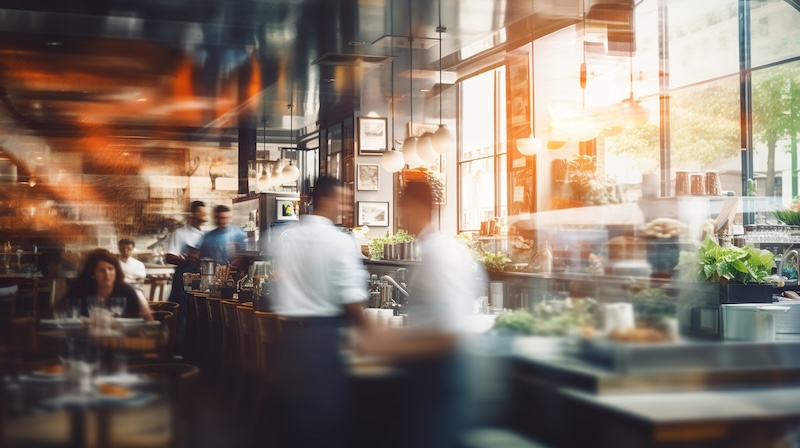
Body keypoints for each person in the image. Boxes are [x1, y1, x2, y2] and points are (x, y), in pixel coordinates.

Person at [358, 179, 486, 448]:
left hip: (442, 376)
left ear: (415, 206)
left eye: (403, 207)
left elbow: (450, 334)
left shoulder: (441, 255)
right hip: (434, 375)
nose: (401, 215)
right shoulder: (437, 250)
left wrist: (390, 345)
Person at [270, 176, 369, 448]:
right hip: (323, 338)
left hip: (288, 338)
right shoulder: (340, 241)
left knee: (291, 419)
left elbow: (279, 280)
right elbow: (350, 299)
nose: (346, 208)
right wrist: (370, 332)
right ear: (326, 200)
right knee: (326, 420)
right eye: (343, 201)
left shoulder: (285, 238)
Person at [63, 249, 153, 321]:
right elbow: (61, 315)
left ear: (116, 271)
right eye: (101, 270)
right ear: (92, 273)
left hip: (123, 339)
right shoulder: (79, 290)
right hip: (84, 338)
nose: (107, 273)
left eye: (110, 269)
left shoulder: (128, 292)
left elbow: (149, 323)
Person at [165, 200, 207, 355]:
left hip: (198, 280)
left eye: (205, 211)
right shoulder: (180, 232)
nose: (204, 214)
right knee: (181, 318)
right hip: (182, 280)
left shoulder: (204, 235)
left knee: (195, 317)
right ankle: (177, 354)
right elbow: (169, 257)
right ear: (193, 213)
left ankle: (193, 354)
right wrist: (188, 260)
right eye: (201, 211)